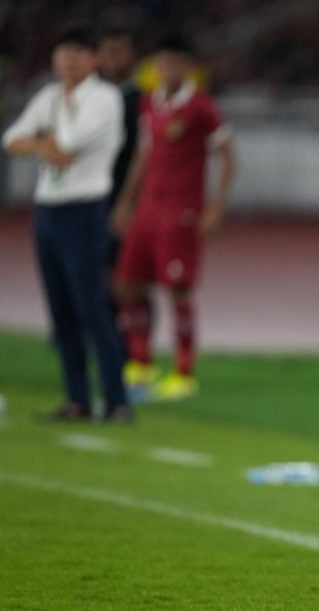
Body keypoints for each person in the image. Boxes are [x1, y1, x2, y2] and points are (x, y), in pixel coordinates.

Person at [2, 23, 131, 422]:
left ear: (93, 58)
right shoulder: (50, 96)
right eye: (63, 53)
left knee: (92, 307)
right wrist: (45, 144)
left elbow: (69, 146)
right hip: (48, 209)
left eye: (78, 52)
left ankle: (116, 400)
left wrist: (41, 141)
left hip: (84, 208)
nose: (69, 60)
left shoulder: (104, 98)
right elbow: (11, 141)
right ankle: (76, 398)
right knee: (60, 311)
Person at [112, 31, 235, 401]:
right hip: (148, 209)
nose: (168, 69)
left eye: (176, 62)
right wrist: (125, 202)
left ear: (189, 67)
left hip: (181, 212)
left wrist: (214, 207)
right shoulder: (150, 103)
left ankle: (184, 373)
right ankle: (141, 364)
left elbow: (229, 157)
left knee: (177, 290)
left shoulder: (201, 106)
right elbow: (144, 156)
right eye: (162, 63)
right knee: (129, 284)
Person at [96, 25, 141, 320]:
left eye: (118, 52)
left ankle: (133, 348)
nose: (112, 59)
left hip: (125, 199)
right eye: (107, 52)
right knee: (95, 271)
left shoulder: (140, 100)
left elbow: (143, 155)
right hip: (92, 197)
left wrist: (129, 202)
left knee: (127, 275)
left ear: (132, 56)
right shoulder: (91, 96)